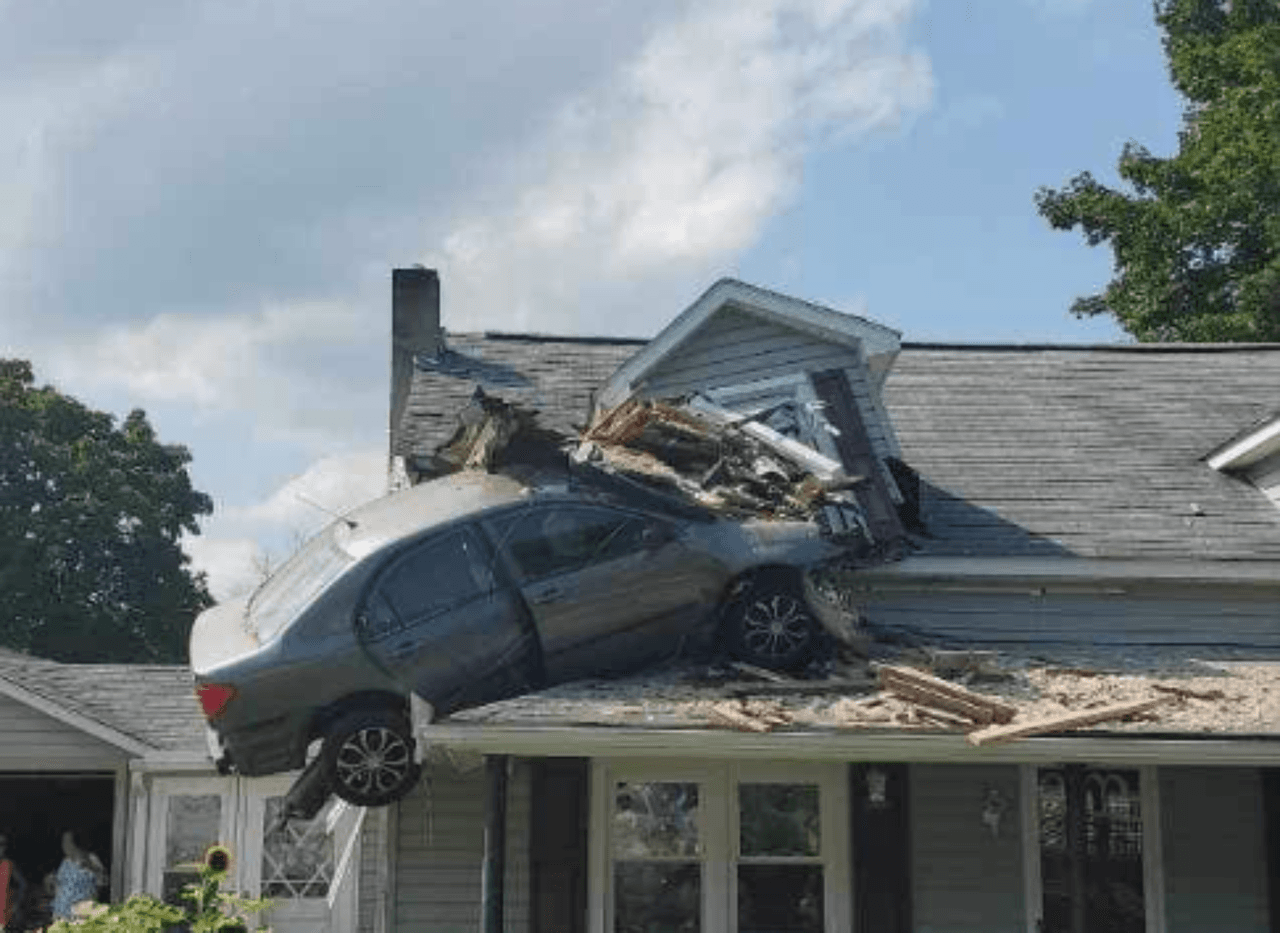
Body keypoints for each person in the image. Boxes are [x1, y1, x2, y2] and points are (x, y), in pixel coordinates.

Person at [49, 831, 104, 922]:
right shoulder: (65, 862)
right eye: (63, 843)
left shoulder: (90, 859)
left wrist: (88, 866)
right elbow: (60, 884)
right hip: (62, 913)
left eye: (67, 842)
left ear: (75, 843)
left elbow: (102, 882)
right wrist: (53, 882)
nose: (64, 846)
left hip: (81, 913)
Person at [0, 834, 27, 932]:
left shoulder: (8, 865)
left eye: (3, 845)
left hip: (6, 919)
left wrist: (16, 905)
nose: (1, 848)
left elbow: (23, 886)